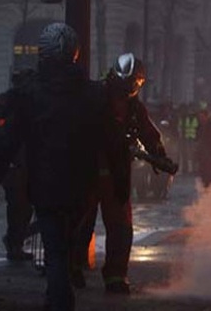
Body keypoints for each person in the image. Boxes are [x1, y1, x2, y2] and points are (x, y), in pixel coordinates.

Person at [0, 23, 102, 311]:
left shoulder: (30, 94)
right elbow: (107, 141)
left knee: (56, 252)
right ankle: (57, 297)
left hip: (46, 185)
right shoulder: (93, 93)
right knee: (67, 245)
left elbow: (8, 142)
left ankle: (60, 301)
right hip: (83, 187)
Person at [76, 53, 171, 295]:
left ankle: (115, 276)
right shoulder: (95, 98)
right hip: (89, 169)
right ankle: (72, 267)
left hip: (115, 173)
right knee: (79, 222)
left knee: (119, 227)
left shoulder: (132, 107)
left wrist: (158, 152)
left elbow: (147, 131)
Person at [0, 70, 35, 262]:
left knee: (27, 208)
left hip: (27, 164)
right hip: (16, 165)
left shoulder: (29, 103)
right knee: (18, 206)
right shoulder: (6, 104)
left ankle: (16, 240)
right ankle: (14, 243)